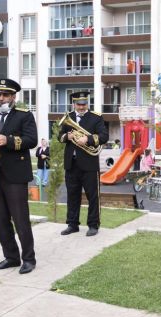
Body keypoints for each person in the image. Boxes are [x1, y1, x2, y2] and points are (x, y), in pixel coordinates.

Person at [0, 78, 38, 274]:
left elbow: (32, 140)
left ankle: (28, 259)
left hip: (15, 175)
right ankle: (11, 257)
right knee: (0, 219)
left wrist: (8, 140)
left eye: (5, 95)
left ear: (13, 97)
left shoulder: (24, 115)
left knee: (20, 219)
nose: (1, 98)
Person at [59, 91, 109, 237]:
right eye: (78, 104)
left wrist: (88, 140)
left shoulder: (96, 118)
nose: (81, 107)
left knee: (92, 196)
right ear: (74, 104)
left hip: (89, 164)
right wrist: (67, 136)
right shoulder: (69, 118)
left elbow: (104, 136)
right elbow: (59, 136)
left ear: (87, 103)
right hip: (71, 163)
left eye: (84, 104)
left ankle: (93, 225)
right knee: (72, 195)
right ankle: (72, 224)